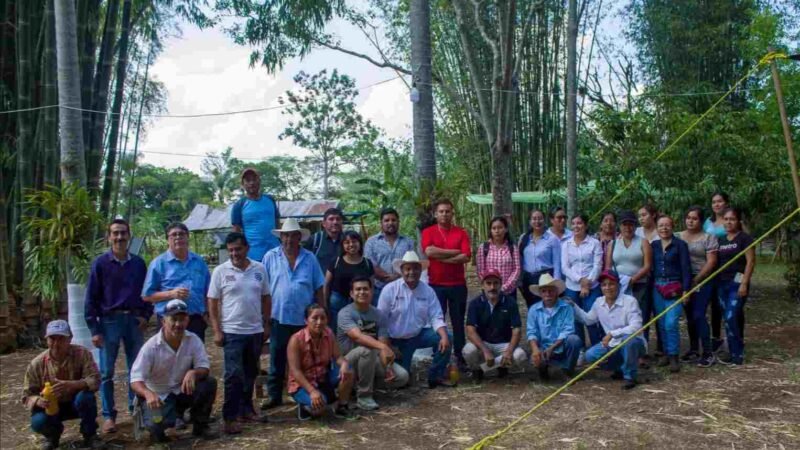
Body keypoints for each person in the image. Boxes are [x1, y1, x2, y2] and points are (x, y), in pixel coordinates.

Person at [85, 218, 151, 434]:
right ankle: (108, 416)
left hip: (133, 320)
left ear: (129, 235)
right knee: (106, 372)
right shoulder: (100, 264)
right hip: (109, 321)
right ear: (109, 237)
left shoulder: (139, 263)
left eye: (123, 233)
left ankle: (136, 412)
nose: (120, 237)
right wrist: (94, 329)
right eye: (115, 233)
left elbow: (147, 292)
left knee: (136, 369)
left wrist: (146, 315)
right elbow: (91, 298)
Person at [207, 233, 270, 434]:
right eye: (231, 249)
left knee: (250, 373)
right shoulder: (220, 271)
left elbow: (266, 297)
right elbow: (213, 302)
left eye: (238, 249)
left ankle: (246, 409)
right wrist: (217, 330)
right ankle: (230, 417)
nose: (234, 253)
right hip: (232, 331)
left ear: (246, 248)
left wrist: (266, 324)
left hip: (254, 331)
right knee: (234, 375)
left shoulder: (259, 269)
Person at [130, 300, 217, 443]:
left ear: (187, 320)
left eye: (182, 320)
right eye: (173, 319)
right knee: (157, 427)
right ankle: (160, 426)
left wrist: (194, 372)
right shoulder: (151, 347)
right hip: (158, 395)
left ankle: (200, 426)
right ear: (164, 321)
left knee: (208, 383)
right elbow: (135, 379)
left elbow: (204, 366)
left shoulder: (193, 340)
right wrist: (147, 393)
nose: (178, 324)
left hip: (181, 390)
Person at [261, 218, 325, 409]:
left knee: (306, 359)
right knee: (277, 358)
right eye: (285, 235)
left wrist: (321, 314)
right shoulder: (270, 257)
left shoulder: (310, 258)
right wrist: (264, 317)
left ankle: (303, 394)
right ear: (281, 237)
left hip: (304, 319)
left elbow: (319, 287)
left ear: (299, 237)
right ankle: (274, 396)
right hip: (278, 316)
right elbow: (263, 289)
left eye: (293, 235)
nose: (289, 239)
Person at [377, 251, 453, 388]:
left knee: (447, 337)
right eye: (408, 269)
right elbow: (381, 322)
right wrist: (388, 346)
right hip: (395, 340)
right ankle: (403, 369)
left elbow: (436, 316)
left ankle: (436, 375)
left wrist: (444, 336)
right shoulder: (389, 290)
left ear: (420, 270)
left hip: (418, 335)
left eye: (415, 268)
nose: (411, 272)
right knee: (402, 380)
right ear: (401, 270)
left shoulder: (427, 291)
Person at [23, 320, 103, 450]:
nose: (56, 343)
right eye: (52, 339)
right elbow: (27, 395)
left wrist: (74, 385)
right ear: (46, 340)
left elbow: (95, 379)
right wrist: (38, 400)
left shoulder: (82, 354)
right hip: (51, 407)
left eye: (61, 339)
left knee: (86, 397)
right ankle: (52, 437)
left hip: (76, 403)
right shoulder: (36, 363)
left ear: (70, 339)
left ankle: (90, 435)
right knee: (38, 421)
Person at [336, 276, 409, 410]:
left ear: (372, 292)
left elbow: (383, 343)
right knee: (366, 350)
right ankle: (364, 397)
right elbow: (357, 337)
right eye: (358, 289)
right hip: (347, 361)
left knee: (402, 377)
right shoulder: (345, 313)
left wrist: (387, 366)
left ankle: (359, 385)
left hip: (370, 360)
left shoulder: (379, 314)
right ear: (351, 293)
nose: (362, 292)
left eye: (365, 289)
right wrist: (382, 347)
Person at [571, 271, 647, 390]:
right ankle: (619, 368)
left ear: (618, 285)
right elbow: (588, 320)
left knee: (628, 341)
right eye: (604, 285)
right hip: (612, 344)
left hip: (634, 343)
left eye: (611, 284)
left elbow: (636, 327)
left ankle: (629, 376)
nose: (607, 288)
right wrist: (573, 306)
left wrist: (612, 333)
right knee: (590, 356)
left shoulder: (630, 301)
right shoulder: (599, 302)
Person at [421, 199, 471, 366]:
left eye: (447, 211)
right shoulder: (428, 232)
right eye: (441, 211)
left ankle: (460, 356)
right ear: (436, 214)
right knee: (438, 321)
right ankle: (439, 355)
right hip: (436, 285)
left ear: (452, 213)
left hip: (457, 285)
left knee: (458, 322)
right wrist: (453, 253)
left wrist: (441, 257)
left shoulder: (461, 232)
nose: (444, 214)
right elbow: (429, 251)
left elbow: (465, 256)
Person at [142, 222, 211, 341]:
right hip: (169, 320)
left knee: (194, 357)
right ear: (167, 240)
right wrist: (171, 294)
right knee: (168, 357)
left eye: (182, 234)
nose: (178, 237)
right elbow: (146, 295)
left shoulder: (199, 262)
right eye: (173, 235)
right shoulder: (158, 264)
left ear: (187, 237)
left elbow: (208, 291)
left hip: (195, 320)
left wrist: (206, 312)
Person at [287, 304, 355, 420]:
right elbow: (295, 371)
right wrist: (312, 391)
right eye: (315, 318)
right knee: (320, 408)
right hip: (302, 383)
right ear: (306, 320)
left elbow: (338, 356)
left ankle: (342, 406)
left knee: (349, 370)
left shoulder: (329, 333)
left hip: (322, 378)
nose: (319, 322)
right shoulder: (296, 340)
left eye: (323, 318)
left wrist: (344, 364)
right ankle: (304, 407)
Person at [464, 270, 526, 382]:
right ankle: (477, 370)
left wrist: (509, 351)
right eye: (488, 283)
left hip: (503, 344)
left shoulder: (510, 302)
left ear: (501, 284)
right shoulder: (475, 303)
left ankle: (502, 367)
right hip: (484, 343)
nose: (492, 287)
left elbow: (516, 330)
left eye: (496, 283)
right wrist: (485, 350)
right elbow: (470, 330)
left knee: (520, 355)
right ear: (482, 285)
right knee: (468, 350)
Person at [606, 210, 652, 355]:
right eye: (624, 224)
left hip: (639, 284)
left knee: (640, 316)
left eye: (631, 224)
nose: (628, 227)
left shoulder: (643, 242)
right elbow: (608, 267)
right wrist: (616, 282)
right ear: (620, 226)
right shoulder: (612, 244)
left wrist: (633, 279)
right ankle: (621, 349)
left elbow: (647, 266)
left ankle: (641, 351)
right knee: (622, 317)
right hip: (618, 286)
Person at [650, 215, 691, 373]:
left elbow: (686, 268)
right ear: (657, 228)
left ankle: (674, 355)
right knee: (661, 323)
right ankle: (666, 353)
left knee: (671, 322)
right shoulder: (653, 245)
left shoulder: (680, 245)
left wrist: (686, 290)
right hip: (657, 286)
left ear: (672, 227)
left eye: (667, 225)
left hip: (674, 285)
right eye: (661, 225)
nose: (664, 228)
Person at [679, 207, 718, 367]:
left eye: (694, 218)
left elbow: (712, 262)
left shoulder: (708, 238)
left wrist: (697, 279)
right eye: (688, 218)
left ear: (701, 221)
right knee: (689, 315)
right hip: (684, 281)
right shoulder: (678, 236)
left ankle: (708, 352)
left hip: (703, 279)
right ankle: (694, 348)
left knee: (698, 314)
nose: (690, 221)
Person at [715, 207, 755, 366]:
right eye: (726, 219)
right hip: (721, 284)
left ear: (738, 221)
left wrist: (744, 283)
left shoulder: (744, 238)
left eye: (732, 219)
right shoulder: (721, 240)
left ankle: (737, 353)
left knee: (731, 316)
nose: (728, 222)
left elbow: (751, 262)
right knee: (728, 318)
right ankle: (731, 350)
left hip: (737, 284)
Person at [526, 274, 582, 380]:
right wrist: (535, 350)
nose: (548, 294)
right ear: (540, 294)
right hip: (543, 347)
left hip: (561, 347)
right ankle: (545, 371)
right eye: (544, 291)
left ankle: (567, 370)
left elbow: (568, 330)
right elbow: (531, 332)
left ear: (556, 292)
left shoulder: (566, 307)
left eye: (551, 290)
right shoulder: (533, 309)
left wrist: (552, 347)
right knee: (537, 358)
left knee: (574, 340)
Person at [561, 214, 603, 346]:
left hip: (593, 286)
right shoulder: (566, 244)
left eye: (579, 223)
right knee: (575, 319)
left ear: (586, 225)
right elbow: (565, 267)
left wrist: (588, 283)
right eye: (573, 223)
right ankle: (580, 349)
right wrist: (580, 280)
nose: (576, 226)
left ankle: (597, 347)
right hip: (572, 287)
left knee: (592, 317)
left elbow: (598, 265)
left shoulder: (595, 243)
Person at [325, 230, 374, 332]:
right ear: (342, 245)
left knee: (364, 332)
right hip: (338, 302)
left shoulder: (367, 263)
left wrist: (369, 304)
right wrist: (325, 306)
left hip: (361, 302)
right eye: (347, 242)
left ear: (360, 243)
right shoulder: (336, 261)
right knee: (338, 332)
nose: (351, 245)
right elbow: (326, 284)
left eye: (354, 241)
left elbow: (371, 286)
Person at [364, 207, 415, 301]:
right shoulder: (371, 242)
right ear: (381, 223)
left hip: (403, 290)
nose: (390, 223)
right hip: (379, 290)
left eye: (393, 220)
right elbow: (370, 264)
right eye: (386, 220)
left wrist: (397, 277)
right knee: (380, 315)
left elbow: (412, 263)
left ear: (398, 222)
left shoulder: (408, 242)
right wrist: (388, 278)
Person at [231, 167, 281, 261]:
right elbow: (236, 233)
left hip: (276, 254)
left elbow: (277, 224)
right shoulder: (239, 205)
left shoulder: (270, 200)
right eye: (248, 180)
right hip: (253, 257)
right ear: (243, 184)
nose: (252, 183)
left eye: (254, 179)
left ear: (259, 181)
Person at [519, 209, 562, 307]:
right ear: (530, 221)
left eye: (540, 219)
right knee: (532, 307)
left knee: (547, 307)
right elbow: (520, 259)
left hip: (546, 278)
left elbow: (557, 263)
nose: (537, 222)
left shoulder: (552, 239)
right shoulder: (524, 238)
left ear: (544, 220)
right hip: (528, 279)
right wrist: (520, 280)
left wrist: (556, 284)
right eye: (534, 219)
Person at [704, 192, 730, 353]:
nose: (716, 204)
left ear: (726, 203)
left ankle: (731, 337)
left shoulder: (731, 219)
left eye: (720, 201)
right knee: (713, 304)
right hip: (709, 265)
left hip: (727, 265)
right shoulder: (707, 221)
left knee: (725, 303)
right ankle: (715, 337)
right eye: (714, 202)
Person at [476, 216, 520, 300]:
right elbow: (480, 271)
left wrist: (504, 287)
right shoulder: (484, 247)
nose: (497, 231)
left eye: (500, 227)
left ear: (506, 229)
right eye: (494, 228)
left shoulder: (512, 248)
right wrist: (489, 286)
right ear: (490, 230)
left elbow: (516, 269)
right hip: (489, 291)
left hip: (509, 291)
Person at [306, 207, 345, 272]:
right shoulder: (315, 240)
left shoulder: (347, 240)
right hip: (320, 281)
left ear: (342, 222)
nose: (335, 222)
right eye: (331, 219)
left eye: (338, 219)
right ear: (324, 223)